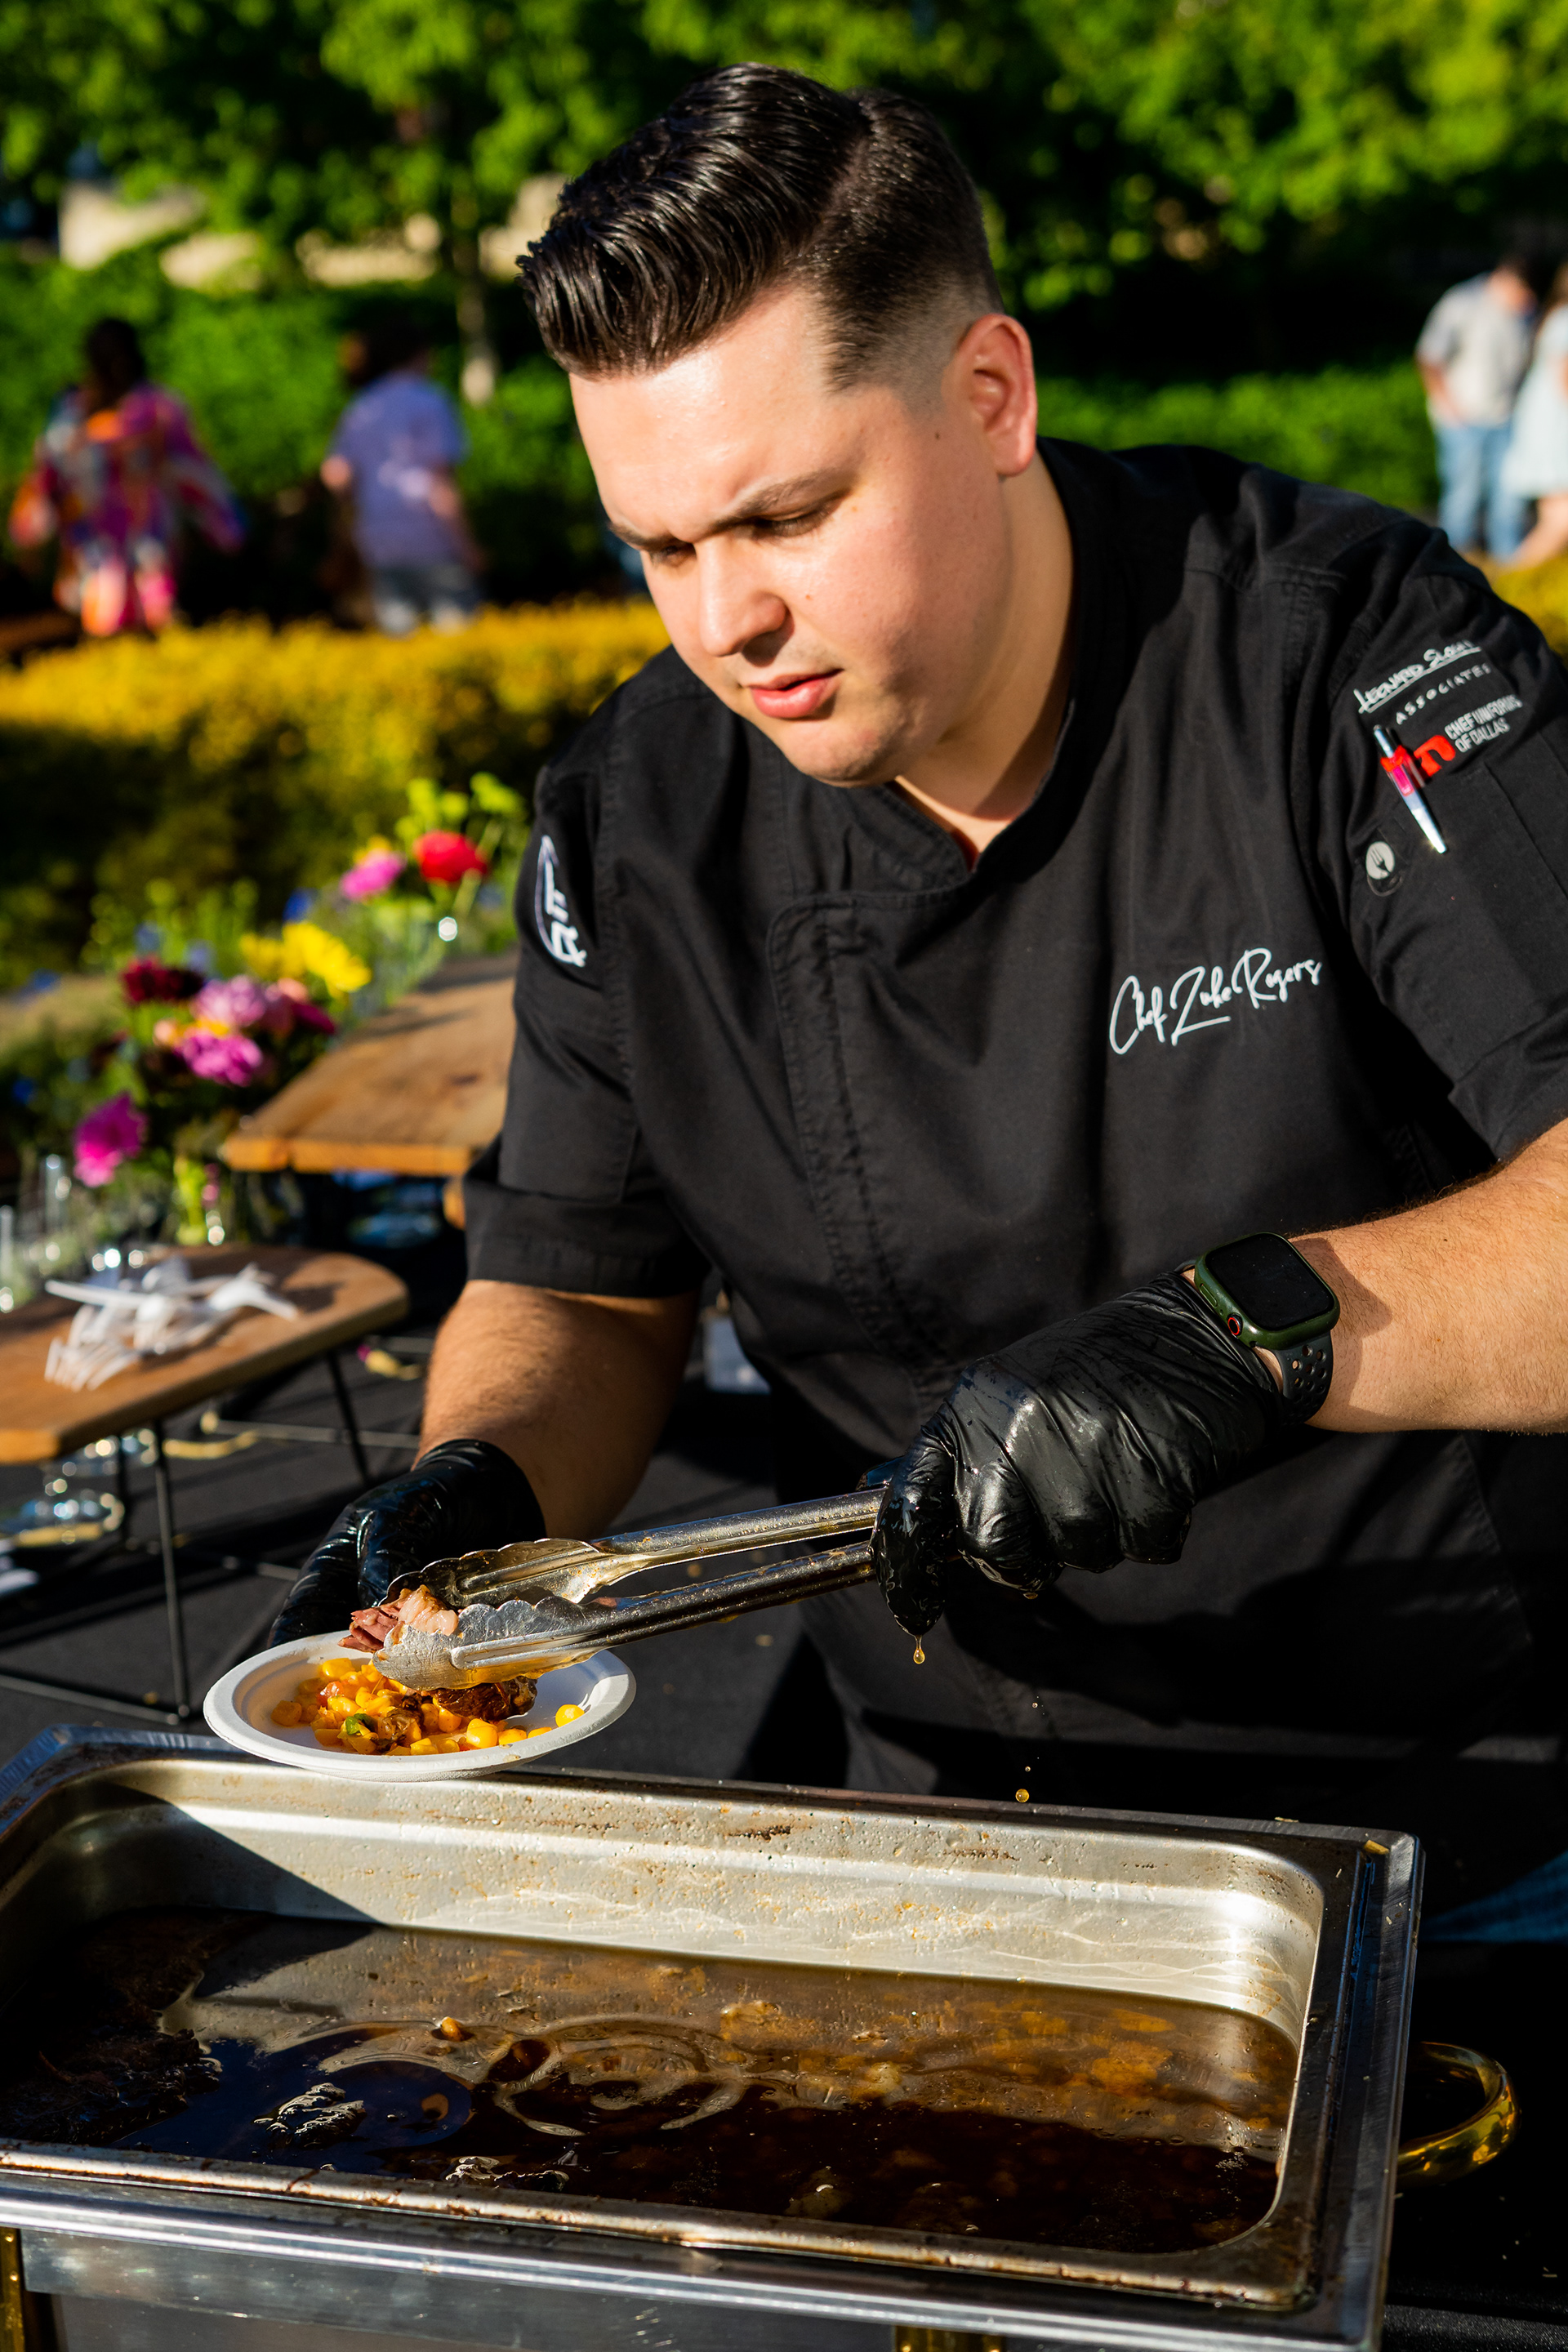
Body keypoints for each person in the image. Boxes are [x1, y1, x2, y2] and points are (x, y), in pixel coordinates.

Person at [277, 67, 1568, 1913]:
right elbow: (577, 1279)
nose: (725, 623)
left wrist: (1251, 1337)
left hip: (1445, 1794)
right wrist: (485, 1490)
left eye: (789, 516)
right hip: (933, 1805)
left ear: (991, 395)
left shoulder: (1340, 652)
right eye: (661, 547)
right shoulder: (637, 814)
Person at [7, 317, 243, 636]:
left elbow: (194, 470)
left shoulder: (158, 409)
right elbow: (46, 476)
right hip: (91, 549)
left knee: (152, 618)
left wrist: (225, 527)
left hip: (150, 543)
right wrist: (28, 536)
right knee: (102, 623)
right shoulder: (72, 412)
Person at [320, 314, 483, 635]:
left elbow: (335, 473)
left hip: (377, 535)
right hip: (429, 532)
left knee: (398, 635)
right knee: (456, 633)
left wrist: (355, 509)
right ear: (419, 353)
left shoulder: (363, 405)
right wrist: (467, 545)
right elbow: (440, 482)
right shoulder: (431, 401)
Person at [1416, 254, 1539, 559]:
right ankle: (1456, 557)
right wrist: (1448, 407)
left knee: (1509, 494)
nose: (1525, 303)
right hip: (1464, 418)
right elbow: (1430, 357)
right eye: (1522, 294)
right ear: (1506, 280)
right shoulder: (1462, 303)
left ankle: (1507, 559)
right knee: (1463, 493)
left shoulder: (1525, 311)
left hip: (1506, 416)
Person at [1501, 260, 1568, 569]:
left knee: (1555, 521)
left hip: (1550, 430)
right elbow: (1564, 380)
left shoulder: (1557, 317)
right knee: (1560, 523)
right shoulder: (1564, 320)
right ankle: (1509, 581)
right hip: (1556, 433)